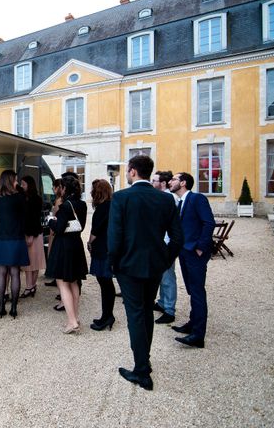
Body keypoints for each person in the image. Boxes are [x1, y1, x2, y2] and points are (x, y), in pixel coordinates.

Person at [107, 155, 182, 391]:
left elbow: (114, 237)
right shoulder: (165, 199)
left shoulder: (120, 197)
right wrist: (164, 259)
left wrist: (113, 263)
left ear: (132, 172)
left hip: (129, 266)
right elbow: (178, 238)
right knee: (146, 311)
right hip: (154, 264)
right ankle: (144, 360)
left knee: (136, 314)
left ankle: (141, 370)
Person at [168, 172, 215, 348]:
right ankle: (192, 323)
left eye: (174, 179)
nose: (170, 181)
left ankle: (198, 335)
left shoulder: (197, 199)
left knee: (197, 291)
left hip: (195, 253)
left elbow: (208, 222)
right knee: (191, 289)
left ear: (183, 183)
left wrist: (200, 247)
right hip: (185, 251)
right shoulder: (180, 202)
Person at [45, 175, 87, 334]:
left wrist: (50, 220)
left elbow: (59, 228)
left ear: (65, 189)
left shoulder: (65, 206)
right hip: (76, 244)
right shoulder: (82, 204)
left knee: (62, 283)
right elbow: (81, 226)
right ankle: (75, 317)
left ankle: (71, 322)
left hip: (64, 246)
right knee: (74, 282)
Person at [0, 170, 29, 319]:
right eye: (15, 180)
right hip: (15, 238)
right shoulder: (18, 197)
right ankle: (13, 307)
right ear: (10, 180)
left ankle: (1, 306)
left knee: (1, 272)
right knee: (14, 272)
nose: (17, 183)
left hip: (0, 238)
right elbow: (24, 217)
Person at [88, 179, 115, 331]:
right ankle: (107, 315)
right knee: (106, 283)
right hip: (108, 247)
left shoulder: (102, 207)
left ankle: (107, 316)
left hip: (101, 249)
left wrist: (89, 242)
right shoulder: (111, 205)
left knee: (105, 283)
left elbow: (95, 230)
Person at [151, 170, 177, 325]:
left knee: (167, 277)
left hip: (166, 242)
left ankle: (169, 309)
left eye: (154, 180)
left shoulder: (169, 198)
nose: (152, 183)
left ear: (162, 183)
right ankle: (162, 302)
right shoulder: (162, 197)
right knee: (162, 275)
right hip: (160, 241)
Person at [19, 176, 45, 298]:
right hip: (35, 233)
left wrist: (29, 236)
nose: (22, 186)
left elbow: (33, 218)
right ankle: (31, 286)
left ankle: (30, 287)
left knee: (31, 263)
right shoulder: (29, 197)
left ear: (29, 184)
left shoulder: (33, 199)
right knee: (31, 263)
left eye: (23, 184)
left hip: (32, 233)